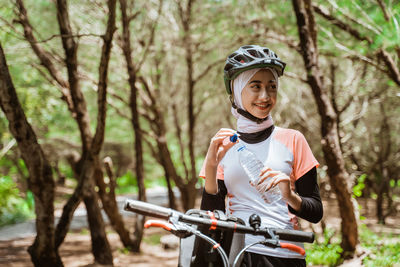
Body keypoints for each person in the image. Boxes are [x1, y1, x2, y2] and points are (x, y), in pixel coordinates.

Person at [199, 45, 323, 267]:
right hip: (239, 253)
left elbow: (316, 212)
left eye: (272, 86)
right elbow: (211, 217)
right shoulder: (224, 145)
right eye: (255, 86)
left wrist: (290, 196)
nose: (265, 96)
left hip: (287, 255)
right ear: (237, 91)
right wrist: (210, 166)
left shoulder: (293, 139)